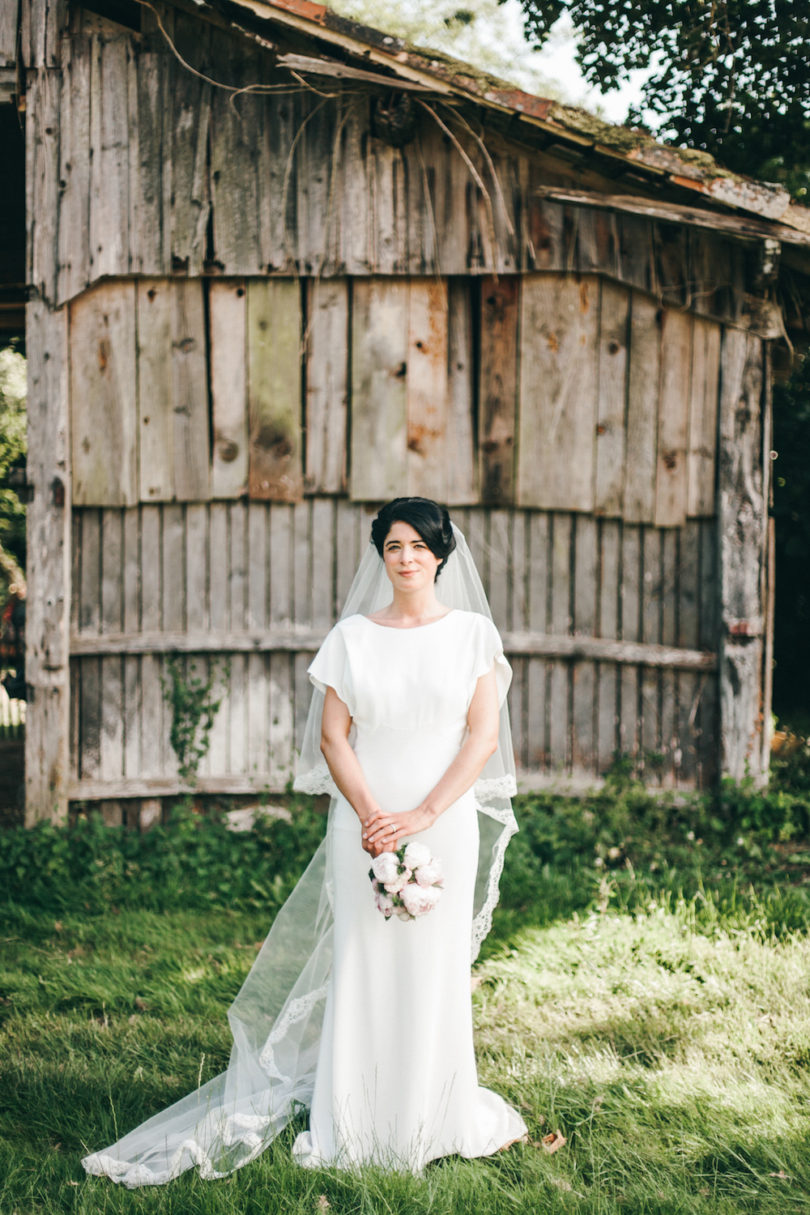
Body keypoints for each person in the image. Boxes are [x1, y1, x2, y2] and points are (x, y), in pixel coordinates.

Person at [82, 497, 525, 1185]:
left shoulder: (472, 634)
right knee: (364, 957)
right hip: (364, 818)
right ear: (381, 555)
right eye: (393, 546)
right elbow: (332, 736)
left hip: (443, 816)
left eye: (418, 545)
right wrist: (378, 815)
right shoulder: (352, 635)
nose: (406, 557)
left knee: (433, 965)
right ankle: (353, 1115)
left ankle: (436, 1113)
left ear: (442, 554)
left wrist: (422, 814)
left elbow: (483, 737)